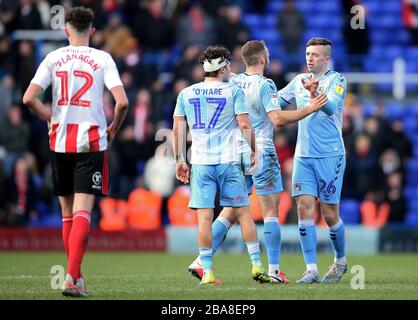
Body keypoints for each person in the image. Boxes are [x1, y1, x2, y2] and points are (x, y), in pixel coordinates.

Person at [187, 40, 328, 283]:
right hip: (260, 149)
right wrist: (309, 108)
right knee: (270, 210)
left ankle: (201, 260)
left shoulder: (232, 81)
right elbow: (277, 119)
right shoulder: (265, 84)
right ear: (263, 59)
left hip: (233, 152)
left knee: (232, 210)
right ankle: (273, 272)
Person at [23, 7, 129, 297]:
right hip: (91, 142)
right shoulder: (102, 58)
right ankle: (71, 277)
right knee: (83, 212)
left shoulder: (52, 58)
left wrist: (49, 116)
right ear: (92, 31)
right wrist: (114, 129)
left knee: (67, 214)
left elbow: (29, 98)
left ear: (66, 30)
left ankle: (76, 277)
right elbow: (122, 102)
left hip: (59, 142)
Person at [172, 45, 270, 285]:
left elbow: (177, 129)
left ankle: (207, 272)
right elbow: (245, 126)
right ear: (225, 68)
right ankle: (257, 265)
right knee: (244, 214)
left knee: (204, 219)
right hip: (228, 160)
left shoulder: (186, 93)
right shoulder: (232, 92)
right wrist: (254, 150)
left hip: (201, 163)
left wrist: (180, 160)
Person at [277, 38, 348, 284]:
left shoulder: (337, 80)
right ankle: (311, 269)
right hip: (303, 155)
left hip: (330, 155)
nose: (310, 58)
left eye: (315, 55)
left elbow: (331, 109)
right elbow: (275, 101)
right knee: (303, 207)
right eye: (307, 53)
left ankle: (340, 261)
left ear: (326, 58)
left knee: (329, 214)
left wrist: (316, 93)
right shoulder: (298, 81)